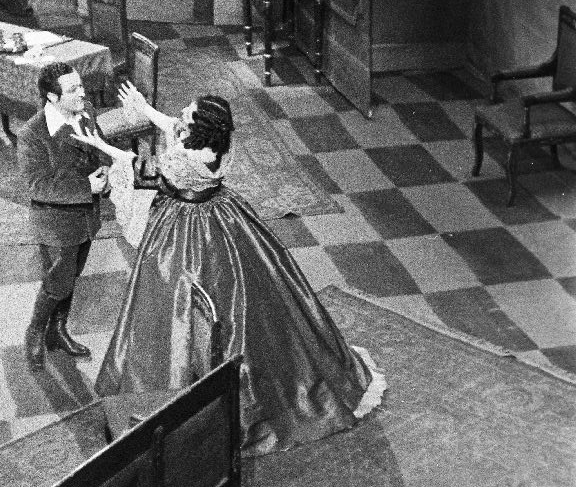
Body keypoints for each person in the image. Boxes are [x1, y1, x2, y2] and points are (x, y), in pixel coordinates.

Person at [72, 83, 386, 456]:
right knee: (256, 299)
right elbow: (174, 126)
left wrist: (101, 145)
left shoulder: (185, 161)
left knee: (186, 308)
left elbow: (138, 168)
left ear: (201, 130)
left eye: (189, 114)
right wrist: (146, 110)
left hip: (187, 234)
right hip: (225, 216)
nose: (182, 115)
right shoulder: (217, 145)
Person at [17, 62, 115, 373]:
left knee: (71, 277)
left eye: (80, 85)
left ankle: (57, 331)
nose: (82, 93)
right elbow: (36, 185)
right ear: (52, 96)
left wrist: (106, 167)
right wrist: (87, 187)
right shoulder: (32, 134)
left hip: (86, 217)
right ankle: (35, 332)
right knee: (57, 282)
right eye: (73, 89)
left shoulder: (85, 111)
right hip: (56, 225)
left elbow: (100, 148)